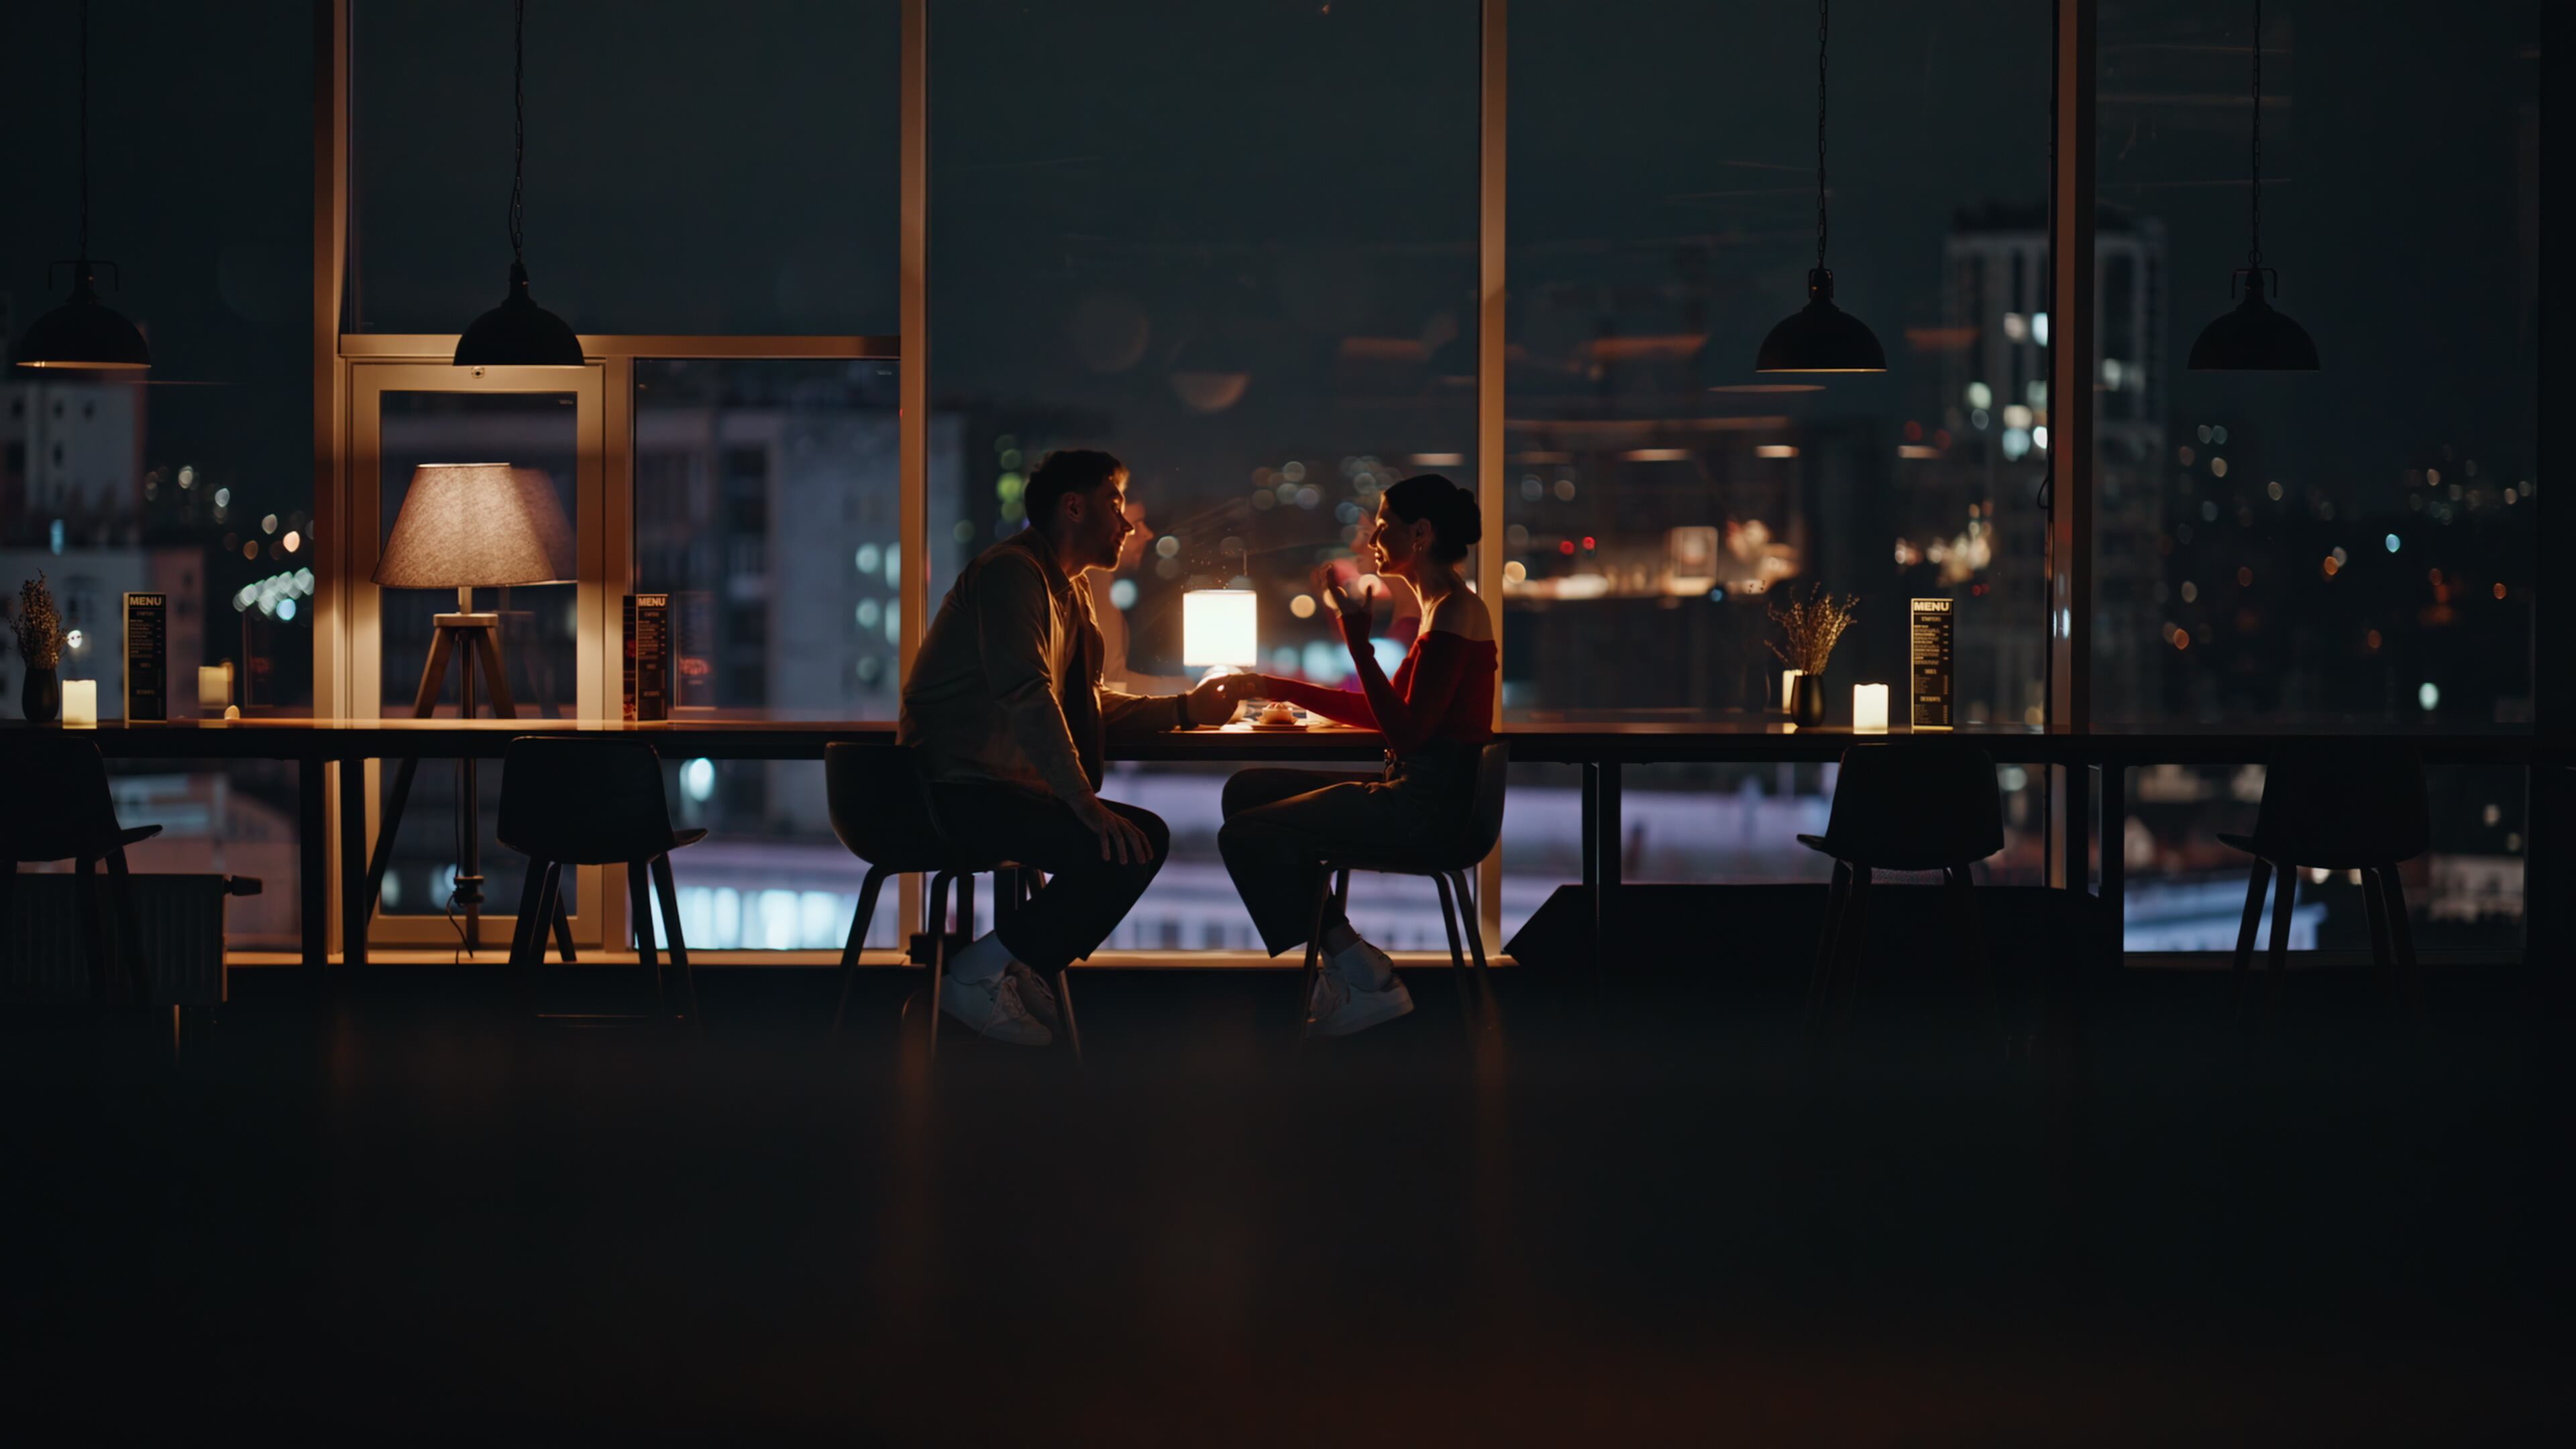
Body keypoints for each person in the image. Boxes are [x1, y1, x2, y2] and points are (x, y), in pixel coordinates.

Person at [901, 448, 1242, 1044]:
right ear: (1074, 507)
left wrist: (1187, 710)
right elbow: (1030, 696)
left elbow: (1083, 703)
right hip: (954, 793)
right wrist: (1085, 803)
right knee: (1126, 845)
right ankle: (979, 974)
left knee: (1139, 841)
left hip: (998, 788)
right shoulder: (1011, 574)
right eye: (1116, 503)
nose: (1128, 523)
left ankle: (1009, 967)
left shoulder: (1070, 592)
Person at [1216, 474, 1496, 1035]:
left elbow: (1409, 734)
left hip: (1427, 805)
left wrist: (1358, 639)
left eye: (1384, 526)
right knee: (1245, 791)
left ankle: (1357, 968)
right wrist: (1278, 687)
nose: (1372, 538)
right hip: (1425, 789)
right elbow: (1390, 716)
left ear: (1420, 533)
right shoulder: (1445, 610)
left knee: (1244, 835)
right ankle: (1351, 965)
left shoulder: (1454, 614)